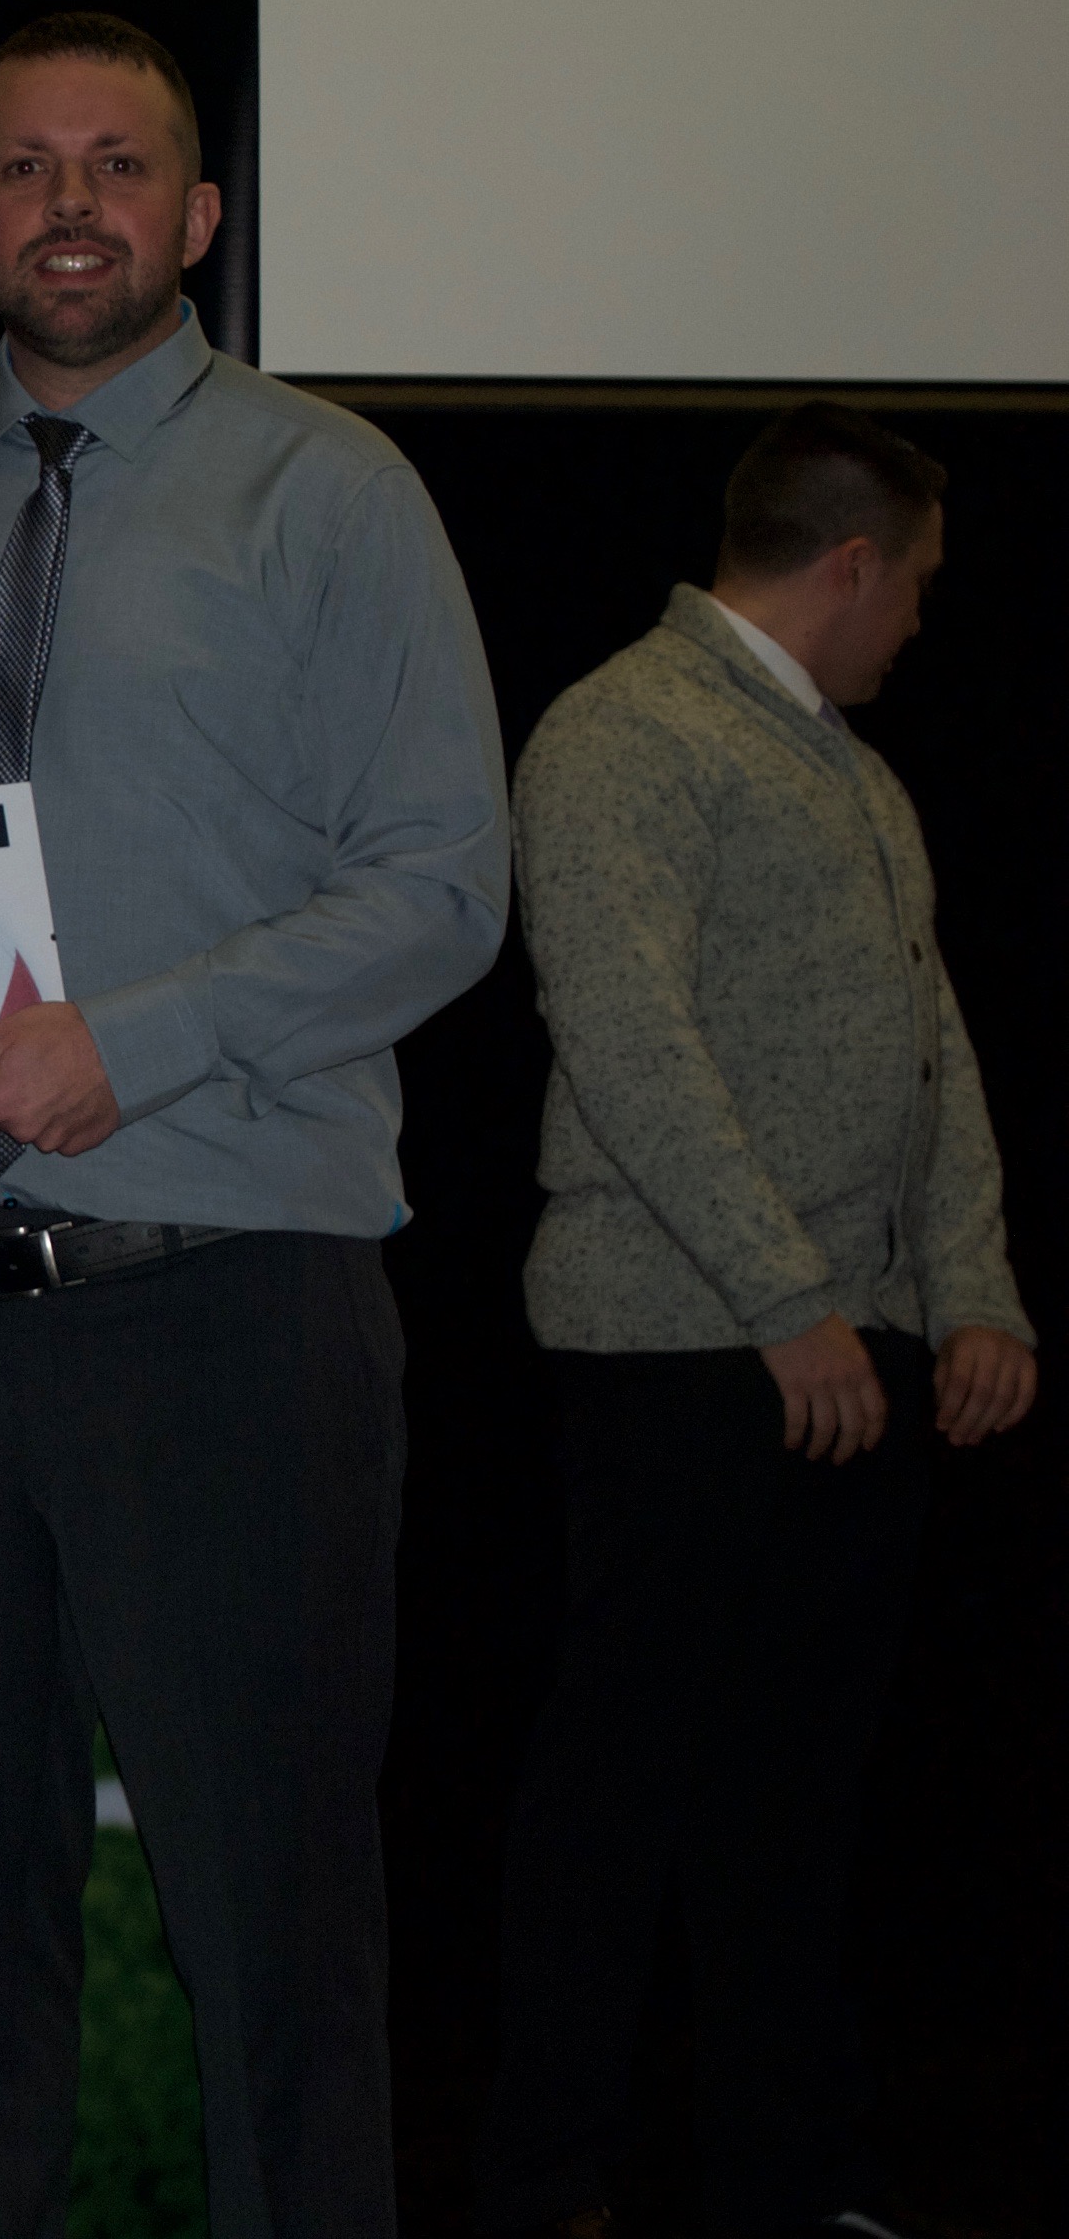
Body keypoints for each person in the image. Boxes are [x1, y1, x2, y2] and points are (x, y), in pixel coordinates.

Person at [0, 11, 510, 2234]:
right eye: (22, 165)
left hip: (226, 1300)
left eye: (115, 165)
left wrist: (138, 1041)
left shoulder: (329, 487)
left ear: (196, 213)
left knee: (272, 1939)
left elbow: (445, 883)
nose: (67, 203)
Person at [473, 405, 1037, 2239]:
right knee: (619, 1791)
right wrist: (787, 1301)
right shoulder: (623, 732)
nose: (921, 626)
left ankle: (788, 2180)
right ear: (851, 565)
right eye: (918, 586)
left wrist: (971, 1290)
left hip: (848, 1354)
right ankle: (548, 2184)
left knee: (796, 1800)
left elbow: (933, 1040)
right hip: (680, 1355)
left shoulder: (854, 774)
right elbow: (626, 1036)